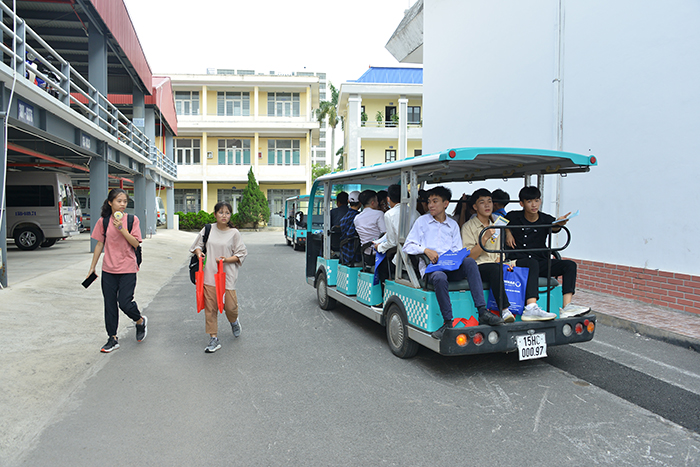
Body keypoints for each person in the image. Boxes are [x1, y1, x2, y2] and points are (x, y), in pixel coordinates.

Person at [403, 186, 503, 340]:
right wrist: (425, 250)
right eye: (429, 202)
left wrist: (456, 257)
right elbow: (408, 246)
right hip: (432, 268)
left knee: (470, 262)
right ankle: (448, 322)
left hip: (451, 266)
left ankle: (482, 311)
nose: (430, 205)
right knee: (440, 277)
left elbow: (457, 249)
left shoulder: (453, 225)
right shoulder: (422, 222)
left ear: (446, 204)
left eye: (435, 201)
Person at [462, 188, 556, 323]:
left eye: (490, 201)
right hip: (480, 266)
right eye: (482, 202)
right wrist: (484, 238)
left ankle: (531, 306)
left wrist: (503, 254)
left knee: (531, 263)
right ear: (475, 207)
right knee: (495, 269)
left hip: (500, 262)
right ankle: (505, 310)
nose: (487, 205)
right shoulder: (468, 227)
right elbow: (470, 258)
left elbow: (503, 248)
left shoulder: (498, 223)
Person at [505, 186, 590, 318]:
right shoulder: (513, 216)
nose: (534, 205)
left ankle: (567, 306)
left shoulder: (546, 219)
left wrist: (560, 223)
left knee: (570, 265)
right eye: (529, 201)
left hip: (540, 262)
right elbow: (502, 223)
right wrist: (508, 232)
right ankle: (531, 308)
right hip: (520, 262)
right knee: (532, 263)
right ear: (522, 203)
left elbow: (554, 227)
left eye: (537, 200)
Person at [87, 189, 147, 353]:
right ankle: (112, 338)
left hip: (128, 268)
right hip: (108, 269)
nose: (122, 204)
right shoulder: (104, 222)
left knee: (125, 303)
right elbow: (99, 244)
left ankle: (140, 320)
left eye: (125, 201)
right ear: (110, 202)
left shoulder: (132, 220)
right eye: (119, 201)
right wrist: (92, 267)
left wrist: (122, 229)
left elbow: (136, 243)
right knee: (110, 304)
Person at [190, 201, 248, 353]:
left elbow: (241, 253)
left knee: (230, 307)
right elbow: (197, 246)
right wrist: (199, 253)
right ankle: (213, 338)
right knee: (210, 308)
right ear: (215, 214)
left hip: (227, 276)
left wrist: (226, 260)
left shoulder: (234, 233)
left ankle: (233, 321)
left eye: (227, 213)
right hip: (209, 274)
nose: (224, 215)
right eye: (221, 212)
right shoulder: (208, 229)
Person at [353, 189, 386, 266]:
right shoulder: (379, 214)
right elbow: (385, 234)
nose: (378, 203)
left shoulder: (357, 218)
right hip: (379, 253)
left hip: (366, 254)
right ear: (373, 203)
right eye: (377, 201)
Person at [339, 191, 362, 265]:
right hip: (354, 255)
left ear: (348, 201)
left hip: (344, 253)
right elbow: (350, 234)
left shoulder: (345, 217)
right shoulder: (359, 217)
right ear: (360, 203)